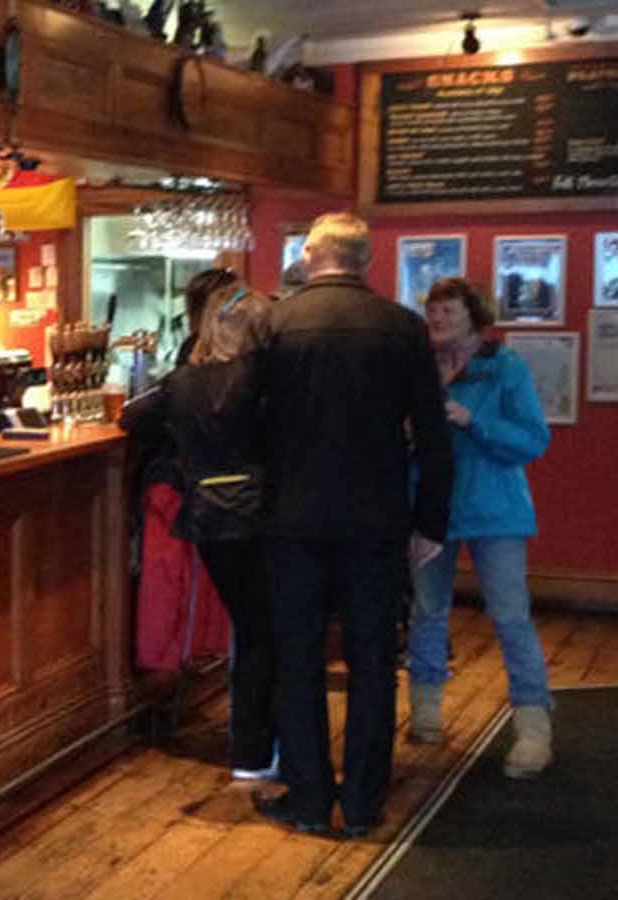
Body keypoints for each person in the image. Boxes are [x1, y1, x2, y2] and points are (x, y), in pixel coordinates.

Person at [252, 212, 454, 837]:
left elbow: (247, 422)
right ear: (366, 260)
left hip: (292, 516)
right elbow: (434, 433)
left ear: (310, 256)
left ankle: (310, 798)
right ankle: (364, 801)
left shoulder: (275, 323)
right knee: (372, 661)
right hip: (376, 517)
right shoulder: (402, 327)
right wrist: (431, 523)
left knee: (297, 660)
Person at [120, 267, 279, 780]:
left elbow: (131, 418)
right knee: (268, 632)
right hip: (261, 512)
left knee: (250, 629)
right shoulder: (265, 378)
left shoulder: (183, 382)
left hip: (207, 514)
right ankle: (262, 744)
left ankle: (249, 751)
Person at [407, 277, 554, 777]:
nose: (437, 319)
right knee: (427, 610)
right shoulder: (419, 369)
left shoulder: (504, 367)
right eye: (433, 311)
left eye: (448, 311)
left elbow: (533, 440)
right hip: (431, 509)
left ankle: (533, 727)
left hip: (496, 511)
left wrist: (474, 421)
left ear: (475, 317)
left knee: (510, 616)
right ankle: (425, 713)